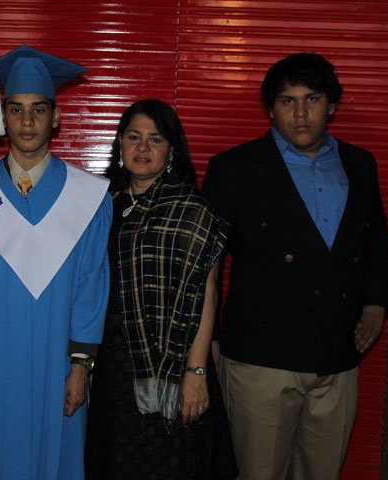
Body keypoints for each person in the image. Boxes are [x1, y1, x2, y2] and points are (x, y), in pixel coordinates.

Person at [201, 52, 388, 480]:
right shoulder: (234, 168)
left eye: (313, 99)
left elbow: (377, 241)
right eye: (288, 101)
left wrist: (375, 304)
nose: (301, 113)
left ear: (332, 105)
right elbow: (206, 265)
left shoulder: (360, 164)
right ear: (271, 108)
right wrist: (206, 345)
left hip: (338, 352)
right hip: (261, 357)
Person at [0, 45, 112, 480]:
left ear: (56, 117)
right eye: (16, 110)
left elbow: (90, 290)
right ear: (3, 117)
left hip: (57, 367)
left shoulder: (88, 198)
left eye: (39, 110)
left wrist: (81, 367)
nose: (27, 121)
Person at [84, 99, 238, 480]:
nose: (143, 148)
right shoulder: (103, 206)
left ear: (171, 150)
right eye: (133, 137)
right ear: (120, 144)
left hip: (175, 367)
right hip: (116, 368)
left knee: (170, 465)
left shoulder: (193, 210)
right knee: (117, 465)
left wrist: (196, 371)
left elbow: (207, 296)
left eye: (155, 139)